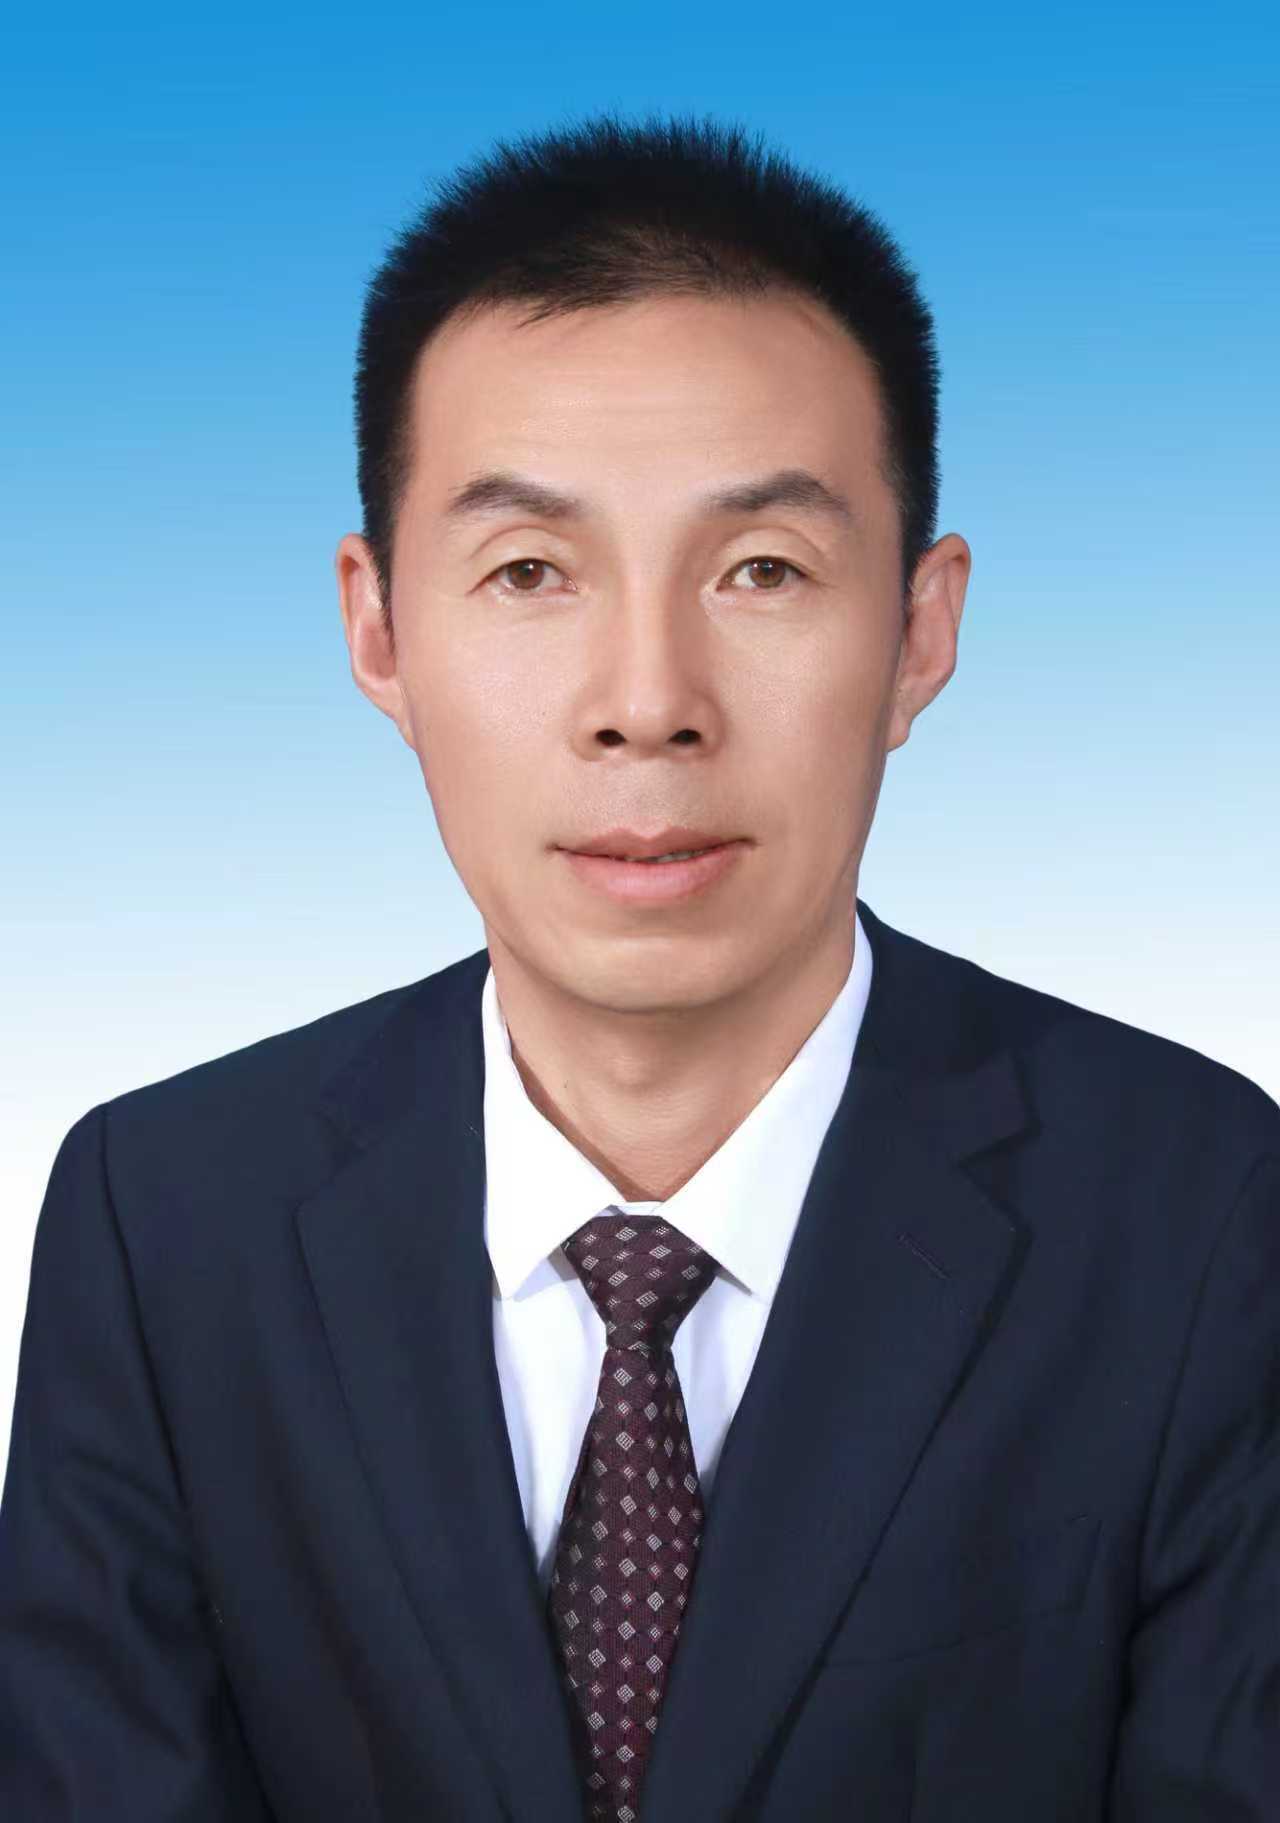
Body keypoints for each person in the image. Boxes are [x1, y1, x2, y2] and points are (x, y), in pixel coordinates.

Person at [1, 111, 1276, 1823]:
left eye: (762, 569)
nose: (648, 701)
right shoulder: (164, 1222)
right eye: (531, 570)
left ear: (920, 632)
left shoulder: (1200, 1213)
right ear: (379, 629)